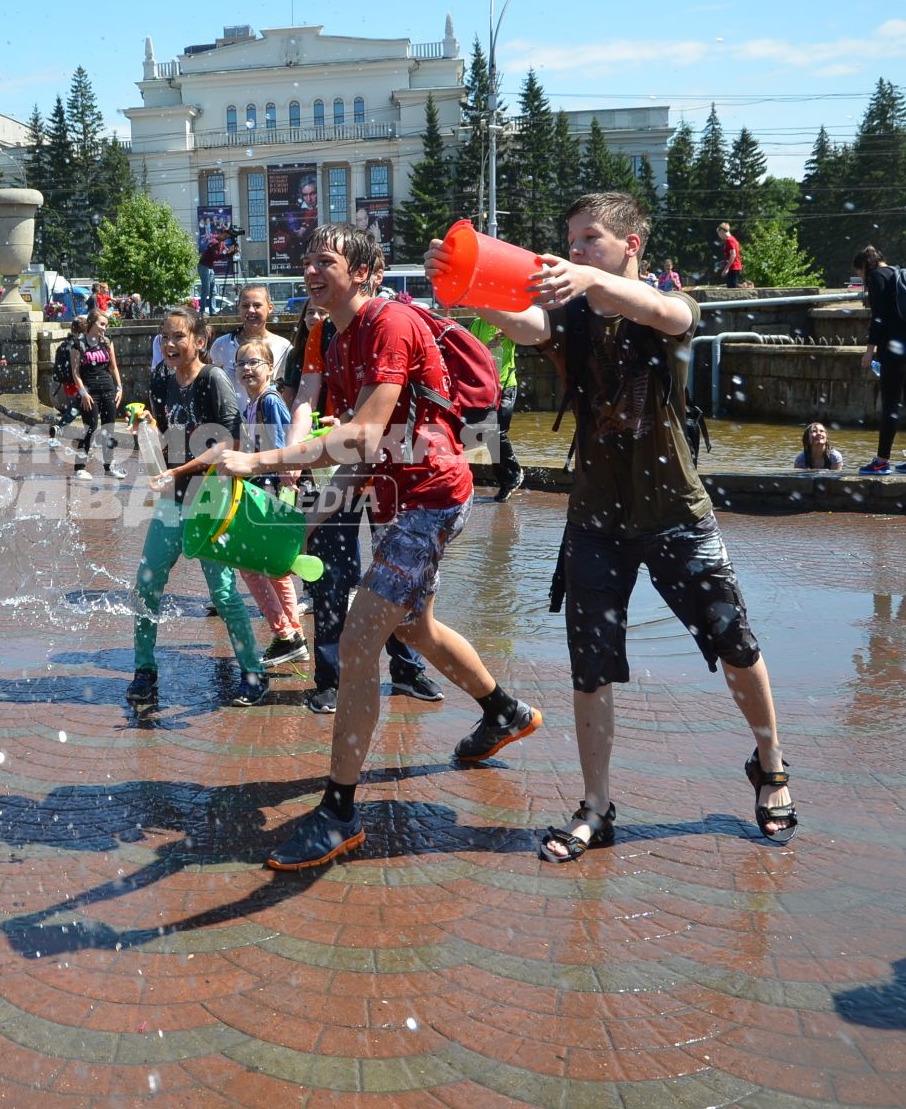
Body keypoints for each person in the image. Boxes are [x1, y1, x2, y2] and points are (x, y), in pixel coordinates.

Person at [432, 191, 797, 863]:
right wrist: (464, 288)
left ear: (631, 244)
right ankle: (596, 806)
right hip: (595, 519)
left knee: (734, 640)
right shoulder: (570, 314)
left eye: (589, 240)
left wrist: (594, 279)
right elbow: (525, 324)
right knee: (590, 665)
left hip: (675, 513)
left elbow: (675, 312)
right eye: (570, 242)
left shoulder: (665, 310)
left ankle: (770, 761)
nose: (574, 253)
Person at [178, 223, 541, 869]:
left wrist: (258, 460)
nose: (312, 270)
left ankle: (339, 810)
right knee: (415, 627)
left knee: (356, 638)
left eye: (326, 260)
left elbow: (367, 433)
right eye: (308, 259)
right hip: (393, 498)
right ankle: (504, 711)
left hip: (432, 496)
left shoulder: (390, 323)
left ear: (367, 271)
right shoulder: (333, 335)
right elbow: (357, 454)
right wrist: (304, 522)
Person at [281, 293, 440, 714]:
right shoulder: (319, 334)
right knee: (331, 574)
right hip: (329, 463)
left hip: (388, 466)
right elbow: (302, 399)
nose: (318, 301)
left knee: (395, 574)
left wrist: (351, 427)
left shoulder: (388, 325)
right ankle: (329, 679)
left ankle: (407, 669)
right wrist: (294, 451)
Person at [127, 306, 267, 712]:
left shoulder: (214, 380)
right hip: (173, 499)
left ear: (200, 341)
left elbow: (228, 443)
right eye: (165, 337)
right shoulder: (160, 380)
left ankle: (253, 673)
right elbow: (163, 431)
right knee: (146, 583)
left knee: (222, 593)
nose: (170, 345)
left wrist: (180, 470)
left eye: (179, 337)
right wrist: (146, 426)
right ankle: (144, 671)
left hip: (210, 498)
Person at [232, 338, 307, 667]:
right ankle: (294, 635)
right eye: (242, 364)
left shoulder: (269, 401)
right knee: (275, 570)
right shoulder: (252, 404)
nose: (247, 368)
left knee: (251, 567)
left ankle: (285, 635)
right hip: (264, 488)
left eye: (254, 363)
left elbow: (279, 451)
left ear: (270, 369)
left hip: (269, 491)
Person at [854, 244, 906, 476]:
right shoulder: (902, 274)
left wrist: (870, 350)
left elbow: (878, 318)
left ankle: (881, 462)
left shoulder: (877, 276)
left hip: (898, 348)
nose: (861, 279)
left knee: (890, 403)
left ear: (865, 267)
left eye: (860, 274)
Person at [465, 315, 524, 501]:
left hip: (506, 385)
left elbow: (529, 334)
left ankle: (514, 473)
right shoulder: (477, 323)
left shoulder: (510, 321)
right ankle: (506, 480)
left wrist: (509, 330)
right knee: (490, 434)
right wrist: (484, 348)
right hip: (486, 386)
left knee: (498, 431)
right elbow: (468, 352)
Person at [209, 286, 293, 410]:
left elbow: (289, 390)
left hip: (265, 421)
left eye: (257, 305)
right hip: (232, 422)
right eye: (245, 306)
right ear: (238, 308)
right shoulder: (222, 345)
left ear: (270, 308)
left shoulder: (284, 346)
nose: (251, 310)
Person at [70, 309, 124, 479]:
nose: (104, 329)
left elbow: (113, 367)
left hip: (108, 389)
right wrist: (83, 392)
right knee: (90, 428)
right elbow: (75, 372)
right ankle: (79, 467)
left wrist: (120, 388)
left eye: (106, 326)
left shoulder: (107, 342)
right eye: (101, 324)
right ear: (91, 323)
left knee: (109, 428)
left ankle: (109, 466)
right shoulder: (78, 344)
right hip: (89, 392)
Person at [49, 315, 88, 433]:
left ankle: (61, 427)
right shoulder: (78, 346)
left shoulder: (64, 344)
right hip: (69, 394)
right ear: (85, 330)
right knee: (85, 401)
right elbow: (78, 372)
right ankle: (62, 427)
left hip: (55, 393)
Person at [197, 229, 235, 314]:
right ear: (221, 234)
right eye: (225, 236)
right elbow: (216, 256)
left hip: (209, 267)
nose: (225, 238)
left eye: (227, 237)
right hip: (204, 266)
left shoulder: (221, 243)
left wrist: (232, 252)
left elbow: (225, 253)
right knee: (206, 290)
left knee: (213, 291)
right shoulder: (214, 242)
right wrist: (229, 253)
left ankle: (212, 311)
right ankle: (202, 311)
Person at [715, 223, 745, 288]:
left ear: (722, 231)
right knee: (731, 287)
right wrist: (724, 262)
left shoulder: (729, 240)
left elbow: (733, 254)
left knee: (732, 289)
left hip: (733, 268)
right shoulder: (732, 239)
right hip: (734, 268)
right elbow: (732, 255)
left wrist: (726, 268)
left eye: (719, 233)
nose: (719, 236)